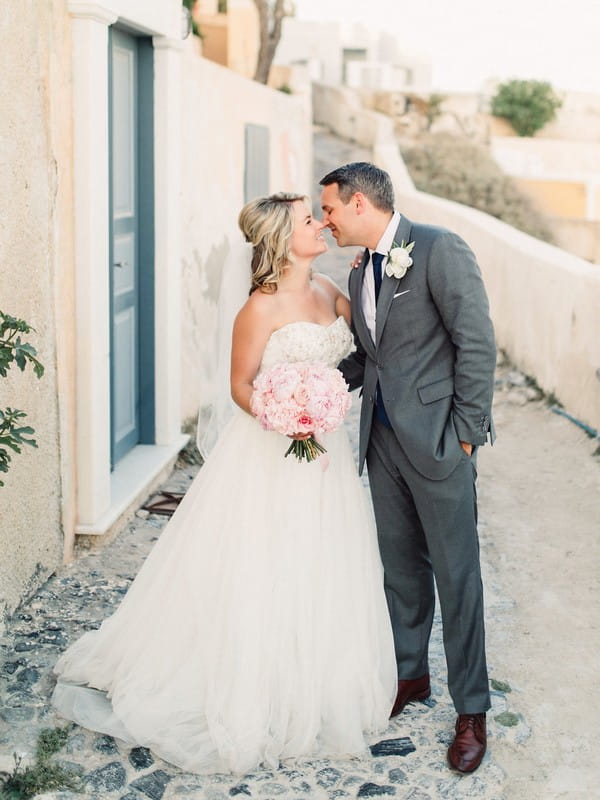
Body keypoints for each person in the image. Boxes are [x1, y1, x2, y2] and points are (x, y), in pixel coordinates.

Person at [51, 193, 397, 775]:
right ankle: (250, 685)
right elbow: (240, 385)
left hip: (324, 457)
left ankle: (312, 679)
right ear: (284, 239)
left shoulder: (330, 289)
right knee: (264, 563)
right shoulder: (258, 309)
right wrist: (286, 415)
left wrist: (323, 408)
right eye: (309, 219)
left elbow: (360, 351)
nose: (320, 223)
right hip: (272, 453)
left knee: (322, 562)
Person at [320, 163, 496, 774]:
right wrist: (308, 390)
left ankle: (472, 708)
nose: (326, 221)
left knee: (458, 577)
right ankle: (409, 675)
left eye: (332, 211)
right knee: (401, 571)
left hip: (441, 444)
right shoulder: (361, 267)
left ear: (360, 202)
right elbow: (374, 360)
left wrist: (466, 437)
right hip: (383, 445)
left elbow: (476, 342)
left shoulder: (440, 249)